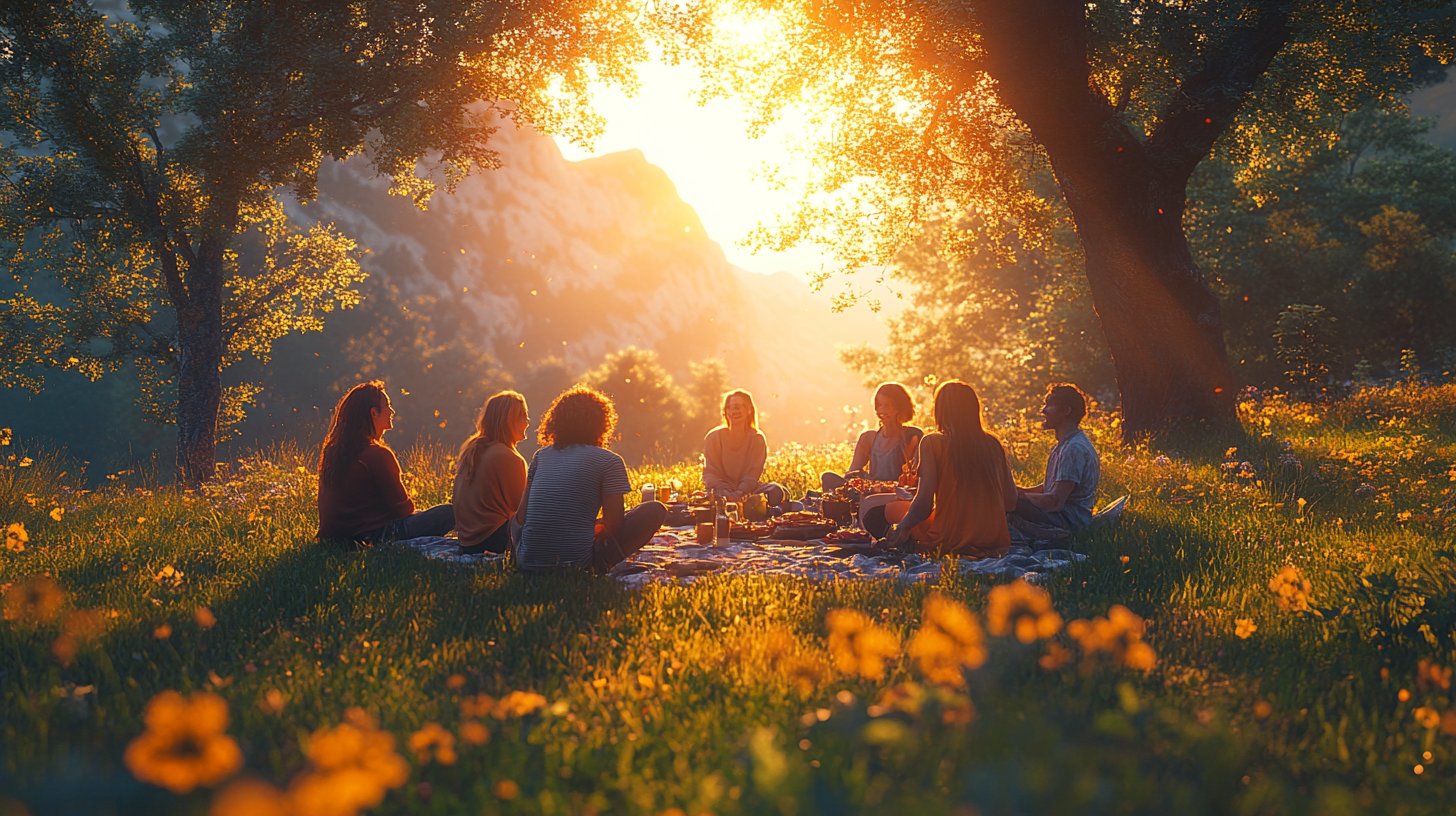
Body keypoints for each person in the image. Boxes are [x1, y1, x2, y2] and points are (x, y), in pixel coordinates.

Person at [514, 385, 667, 572]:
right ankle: (595, 566)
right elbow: (614, 525)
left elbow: (521, 517)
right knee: (654, 510)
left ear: (556, 421)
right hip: (577, 565)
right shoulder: (609, 461)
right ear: (602, 424)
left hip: (527, 563)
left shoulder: (541, 456)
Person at [880, 380, 1018, 558]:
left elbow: (924, 504)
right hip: (994, 540)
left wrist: (902, 528)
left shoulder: (933, 442)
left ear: (940, 411)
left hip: (949, 539)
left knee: (879, 514)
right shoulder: (993, 444)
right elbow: (1010, 500)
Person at [316, 381, 454, 547]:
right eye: (387, 406)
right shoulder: (377, 454)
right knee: (449, 512)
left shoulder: (333, 451)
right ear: (374, 413)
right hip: (374, 536)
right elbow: (404, 509)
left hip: (335, 537)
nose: (392, 411)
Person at [1011, 383, 1101, 536]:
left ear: (1066, 411)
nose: (1043, 410)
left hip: (1069, 521)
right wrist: (1015, 490)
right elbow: (1049, 488)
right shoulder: (1063, 445)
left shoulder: (1074, 449)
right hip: (1061, 516)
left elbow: (1055, 501)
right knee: (1007, 501)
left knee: (1010, 506)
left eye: (1049, 405)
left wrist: (1018, 498)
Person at [452, 391, 529, 555]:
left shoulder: (472, 449)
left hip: (467, 542)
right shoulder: (509, 457)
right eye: (522, 416)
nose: (527, 421)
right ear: (508, 421)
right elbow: (523, 508)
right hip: (492, 540)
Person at [821, 382, 924, 490]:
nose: (881, 410)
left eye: (887, 405)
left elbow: (915, 477)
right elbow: (852, 472)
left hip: (894, 493)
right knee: (828, 477)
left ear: (899, 407)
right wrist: (854, 483)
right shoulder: (868, 438)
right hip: (869, 490)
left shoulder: (912, 436)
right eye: (879, 405)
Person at [702, 389, 788, 507]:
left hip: (747, 492)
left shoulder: (757, 438)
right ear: (725, 411)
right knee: (708, 495)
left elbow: (752, 474)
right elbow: (710, 473)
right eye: (729, 408)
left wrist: (739, 493)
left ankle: (751, 505)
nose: (733, 411)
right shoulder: (713, 437)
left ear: (748, 410)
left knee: (776, 490)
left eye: (737, 407)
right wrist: (726, 493)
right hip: (721, 492)